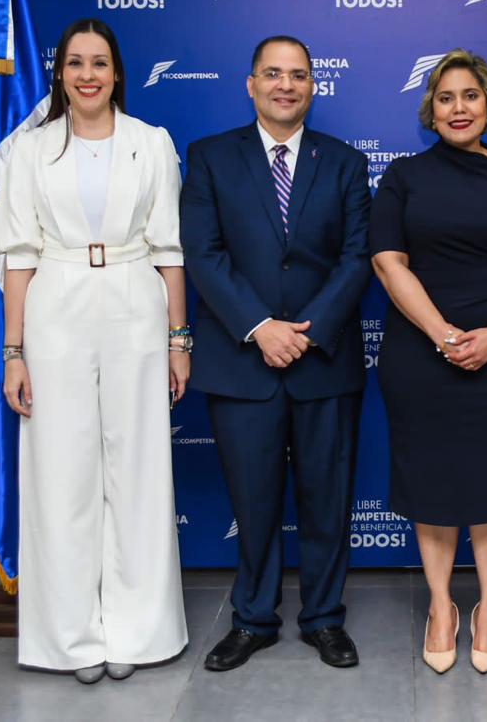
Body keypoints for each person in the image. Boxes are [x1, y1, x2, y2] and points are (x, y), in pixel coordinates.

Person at [0, 18, 190, 684]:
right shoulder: (31, 150)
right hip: (56, 307)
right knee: (61, 472)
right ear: (61, 73)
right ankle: (70, 636)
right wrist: (13, 351)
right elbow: (19, 255)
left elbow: (169, 248)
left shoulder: (151, 143)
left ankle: (136, 629)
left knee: (137, 471)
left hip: (136, 301)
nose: (87, 75)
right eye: (75, 62)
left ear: (116, 72)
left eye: (99, 62)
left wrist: (179, 340)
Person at [180, 35, 371, 672]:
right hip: (242, 361)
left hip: (323, 361)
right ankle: (253, 620)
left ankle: (324, 618)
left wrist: (306, 333)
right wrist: (261, 327)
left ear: (313, 85)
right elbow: (203, 254)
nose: (285, 85)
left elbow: (357, 257)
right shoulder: (210, 157)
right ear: (251, 84)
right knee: (253, 501)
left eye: (297, 75)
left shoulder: (345, 163)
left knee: (327, 500)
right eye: (272, 74)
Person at [370, 49, 487, 675]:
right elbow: (388, 262)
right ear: (431, 109)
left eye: (469, 96)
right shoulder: (403, 177)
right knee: (432, 483)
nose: (458, 108)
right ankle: (442, 606)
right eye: (445, 98)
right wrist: (442, 333)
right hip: (421, 353)